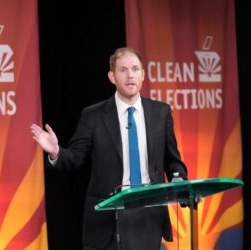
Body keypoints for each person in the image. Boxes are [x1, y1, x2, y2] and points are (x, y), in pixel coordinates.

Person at [31, 47, 187, 250]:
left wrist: (180, 181)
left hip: (148, 217)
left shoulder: (161, 112)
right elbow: (76, 157)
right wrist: (57, 152)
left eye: (135, 69)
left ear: (143, 75)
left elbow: (172, 159)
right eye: (123, 70)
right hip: (108, 221)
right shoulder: (93, 116)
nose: (130, 75)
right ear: (112, 77)